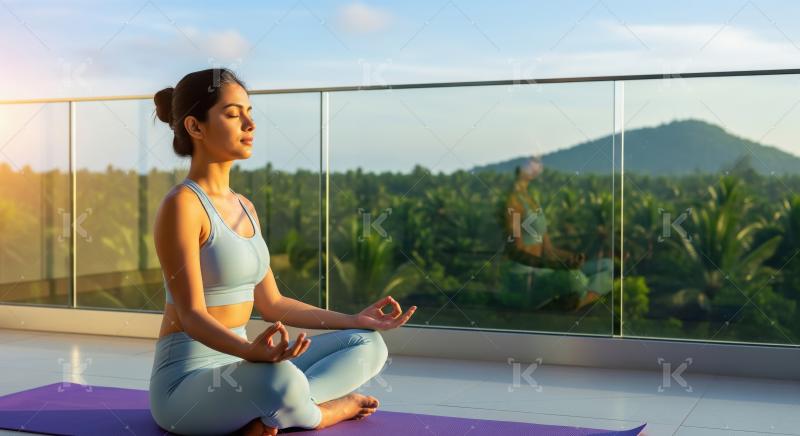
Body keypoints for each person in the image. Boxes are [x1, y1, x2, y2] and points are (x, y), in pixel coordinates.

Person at [149, 68, 417, 436]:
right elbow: (192, 316)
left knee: (369, 346)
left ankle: (278, 412)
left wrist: (355, 319)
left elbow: (273, 304)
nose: (249, 124)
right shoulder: (182, 205)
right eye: (232, 114)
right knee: (281, 379)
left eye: (249, 112)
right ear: (195, 127)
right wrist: (251, 355)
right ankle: (324, 412)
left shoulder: (245, 206)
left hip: (246, 365)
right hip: (187, 386)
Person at [503, 156, 612, 310]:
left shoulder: (531, 201)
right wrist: (557, 266)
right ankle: (569, 306)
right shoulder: (513, 202)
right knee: (577, 280)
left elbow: (548, 250)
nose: (538, 164)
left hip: (546, 269)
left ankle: (575, 304)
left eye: (539, 161)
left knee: (607, 266)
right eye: (532, 160)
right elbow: (516, 251)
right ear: (521, 166)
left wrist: (572, 259)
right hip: (527, 276)